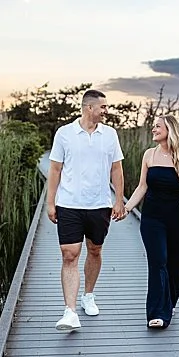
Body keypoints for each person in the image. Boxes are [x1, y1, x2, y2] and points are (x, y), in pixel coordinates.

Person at [46, 89, 125, 332]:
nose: (106, 110)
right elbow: (55, 170)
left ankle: (88, 295)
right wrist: (51, 203)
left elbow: (116, 170)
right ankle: (69, 311)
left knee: (95, 249)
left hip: (99, 204)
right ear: (89, 107)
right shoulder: (65, 134)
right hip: (69, 204)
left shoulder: (109, 135)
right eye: (103, 107)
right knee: (69, 255)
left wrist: (119, 200)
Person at [119, 114, 179, 329]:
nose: (153, 129)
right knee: (158, 261)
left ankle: (171, 301)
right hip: (152, 217)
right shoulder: (149, 155)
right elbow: (142, 186)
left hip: (177, 216)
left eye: (157, 126)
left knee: (173, 263)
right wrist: (127, 208)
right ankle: (158, 313)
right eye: (153, 126)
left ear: (170, 130)